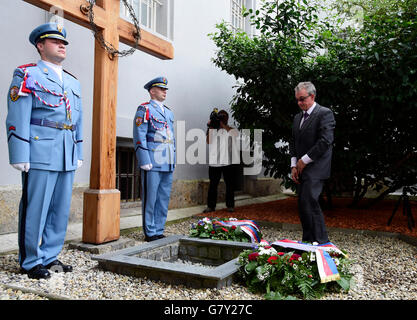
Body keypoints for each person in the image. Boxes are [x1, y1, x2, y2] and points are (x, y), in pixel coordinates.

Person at [5, 23, 83, 279]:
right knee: (35, 206)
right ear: (40, 45)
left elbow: (78, 118)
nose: (62, 45)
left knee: (59, 208)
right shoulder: (27, 74)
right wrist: (19, 152)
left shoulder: (73, 81)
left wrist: (78, 149)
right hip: (39, 147)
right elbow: (17, 114)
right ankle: (30, 260)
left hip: (66, 150)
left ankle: (49, 256)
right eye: (54, 41)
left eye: (64, 42)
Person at [289, 82, 335, 244]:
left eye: (302, 99)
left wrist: (305, 160)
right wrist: (294, 165)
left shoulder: (324, 113)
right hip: (301, 168)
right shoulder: (297, 118)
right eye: (297, 100)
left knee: (310, 202)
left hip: (316, 167)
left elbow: (325, 141)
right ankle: (308, 242)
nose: (299, 103)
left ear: (312, 96)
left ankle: (322, 243)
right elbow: (293, 142)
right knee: (303, 205)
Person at [133, 77, 175, 242]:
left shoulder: (169, 112)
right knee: (150, 198)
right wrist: (143, 158)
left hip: (167, 159)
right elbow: (139, 134)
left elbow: (171, 136)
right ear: (152, 91)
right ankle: (150, 232)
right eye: (161, 89)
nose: (165, 91)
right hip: (152, 159)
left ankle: (159, 229)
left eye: (166, 89)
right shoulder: (145, 109)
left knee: (163, 198)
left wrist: (174, 157)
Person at [203, 110, 240, 213]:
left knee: (230, 185)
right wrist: (210, 127)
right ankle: (211, 206)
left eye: (224, 117)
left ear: (227, 118)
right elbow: (208, 141)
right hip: (214, 162)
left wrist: (223, 125)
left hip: (227, 162)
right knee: (213, 185)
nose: (223, 118)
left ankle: (230, 206)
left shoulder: (230, 129)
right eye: (221, 116)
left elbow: (236, 135)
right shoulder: (213, 129)